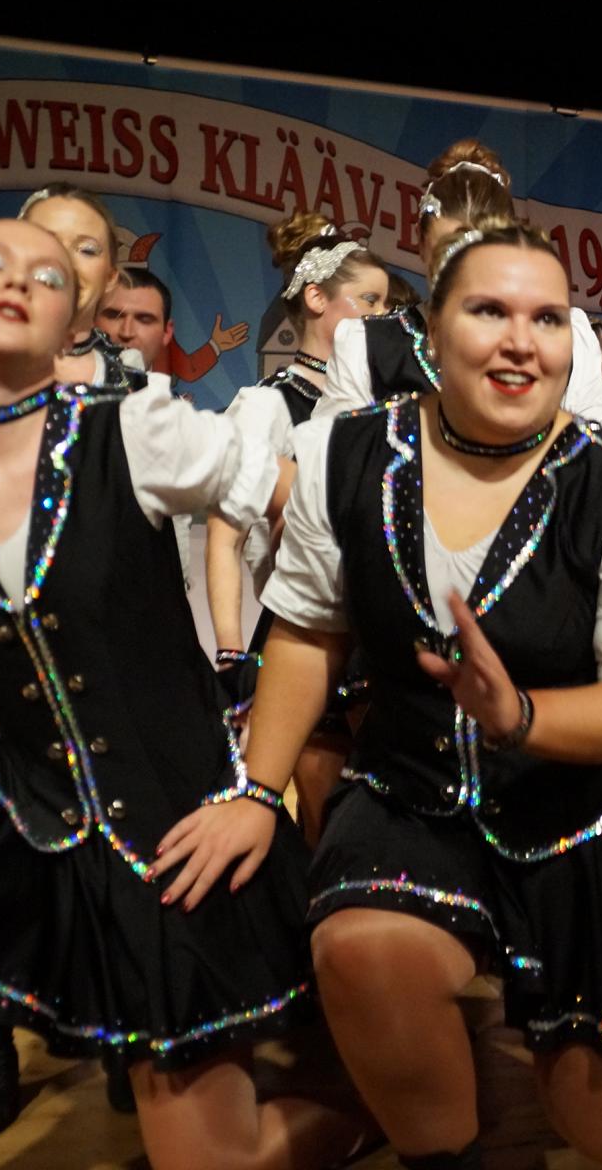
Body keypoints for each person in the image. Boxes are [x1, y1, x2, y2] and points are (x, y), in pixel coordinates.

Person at [234, 215, 602, 1168]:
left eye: (547, 318)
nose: (521, 341)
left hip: (593, 804)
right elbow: (309, 633)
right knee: (361, 946)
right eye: (488, 312)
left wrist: (522, 717)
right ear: (430, 332)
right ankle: (440, 1149)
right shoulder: (341, 459)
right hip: (415, 788)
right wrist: (256, 792)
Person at [0, 218, 374, 1170]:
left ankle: (365, 1114)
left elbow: (314, 521)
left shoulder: (134, 430)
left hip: (175, 816)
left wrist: (258, 787)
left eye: (48, 276)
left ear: (73, 321)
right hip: (24, 804)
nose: (18, 279)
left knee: (209, 1162)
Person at [207, 210, 389, 840]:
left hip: (385, 637)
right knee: (325, 828)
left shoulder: (390, 410)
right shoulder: (267, 405)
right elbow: (225, 538)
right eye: (368, 301)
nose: (381, 317)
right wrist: (231, 654)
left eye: (387, 305)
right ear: (316, 299)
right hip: (305, 635)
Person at [312, 139, 602, 425]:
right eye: (447, 254)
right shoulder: (367, 344)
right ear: (421, 245)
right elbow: (331, 454)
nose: (466, 273)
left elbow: (593, 452)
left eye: (483, 253)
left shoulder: (565, 337)